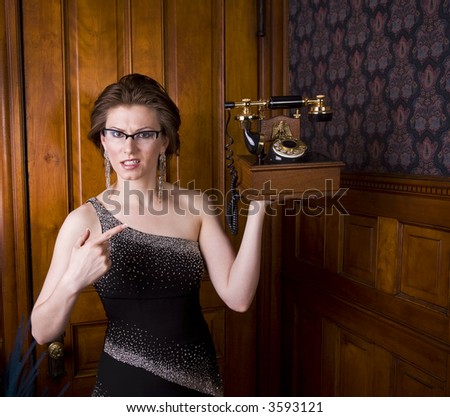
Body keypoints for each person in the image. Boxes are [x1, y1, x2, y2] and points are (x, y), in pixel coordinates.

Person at [31, 73, 268, 397]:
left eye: (143, 134)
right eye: (117, 133)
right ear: (103, 139)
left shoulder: (196, 205)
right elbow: (42, 331)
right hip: (123, 385)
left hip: (198, 383)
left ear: (164, 140)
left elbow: (238, 298)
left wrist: (259, 206)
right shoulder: (84, 220)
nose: (128, 147)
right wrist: (74, 279)